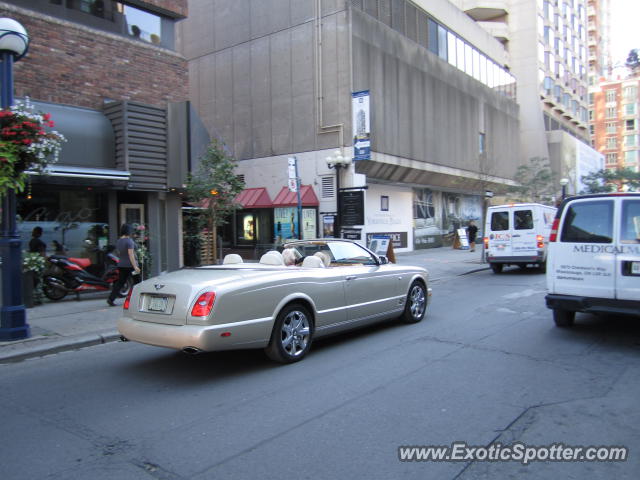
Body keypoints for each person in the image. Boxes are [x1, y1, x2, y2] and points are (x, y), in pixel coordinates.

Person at [107, 224, 140, 306]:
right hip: (131, 266)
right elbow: (131, 255)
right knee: (138, 282)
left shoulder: (118, 241)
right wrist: (135, 266)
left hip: (121, 265)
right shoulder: (129, 241)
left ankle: (111, 299)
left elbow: (119, 253)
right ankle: (137, 299)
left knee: (120, 282)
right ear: (129, 231)